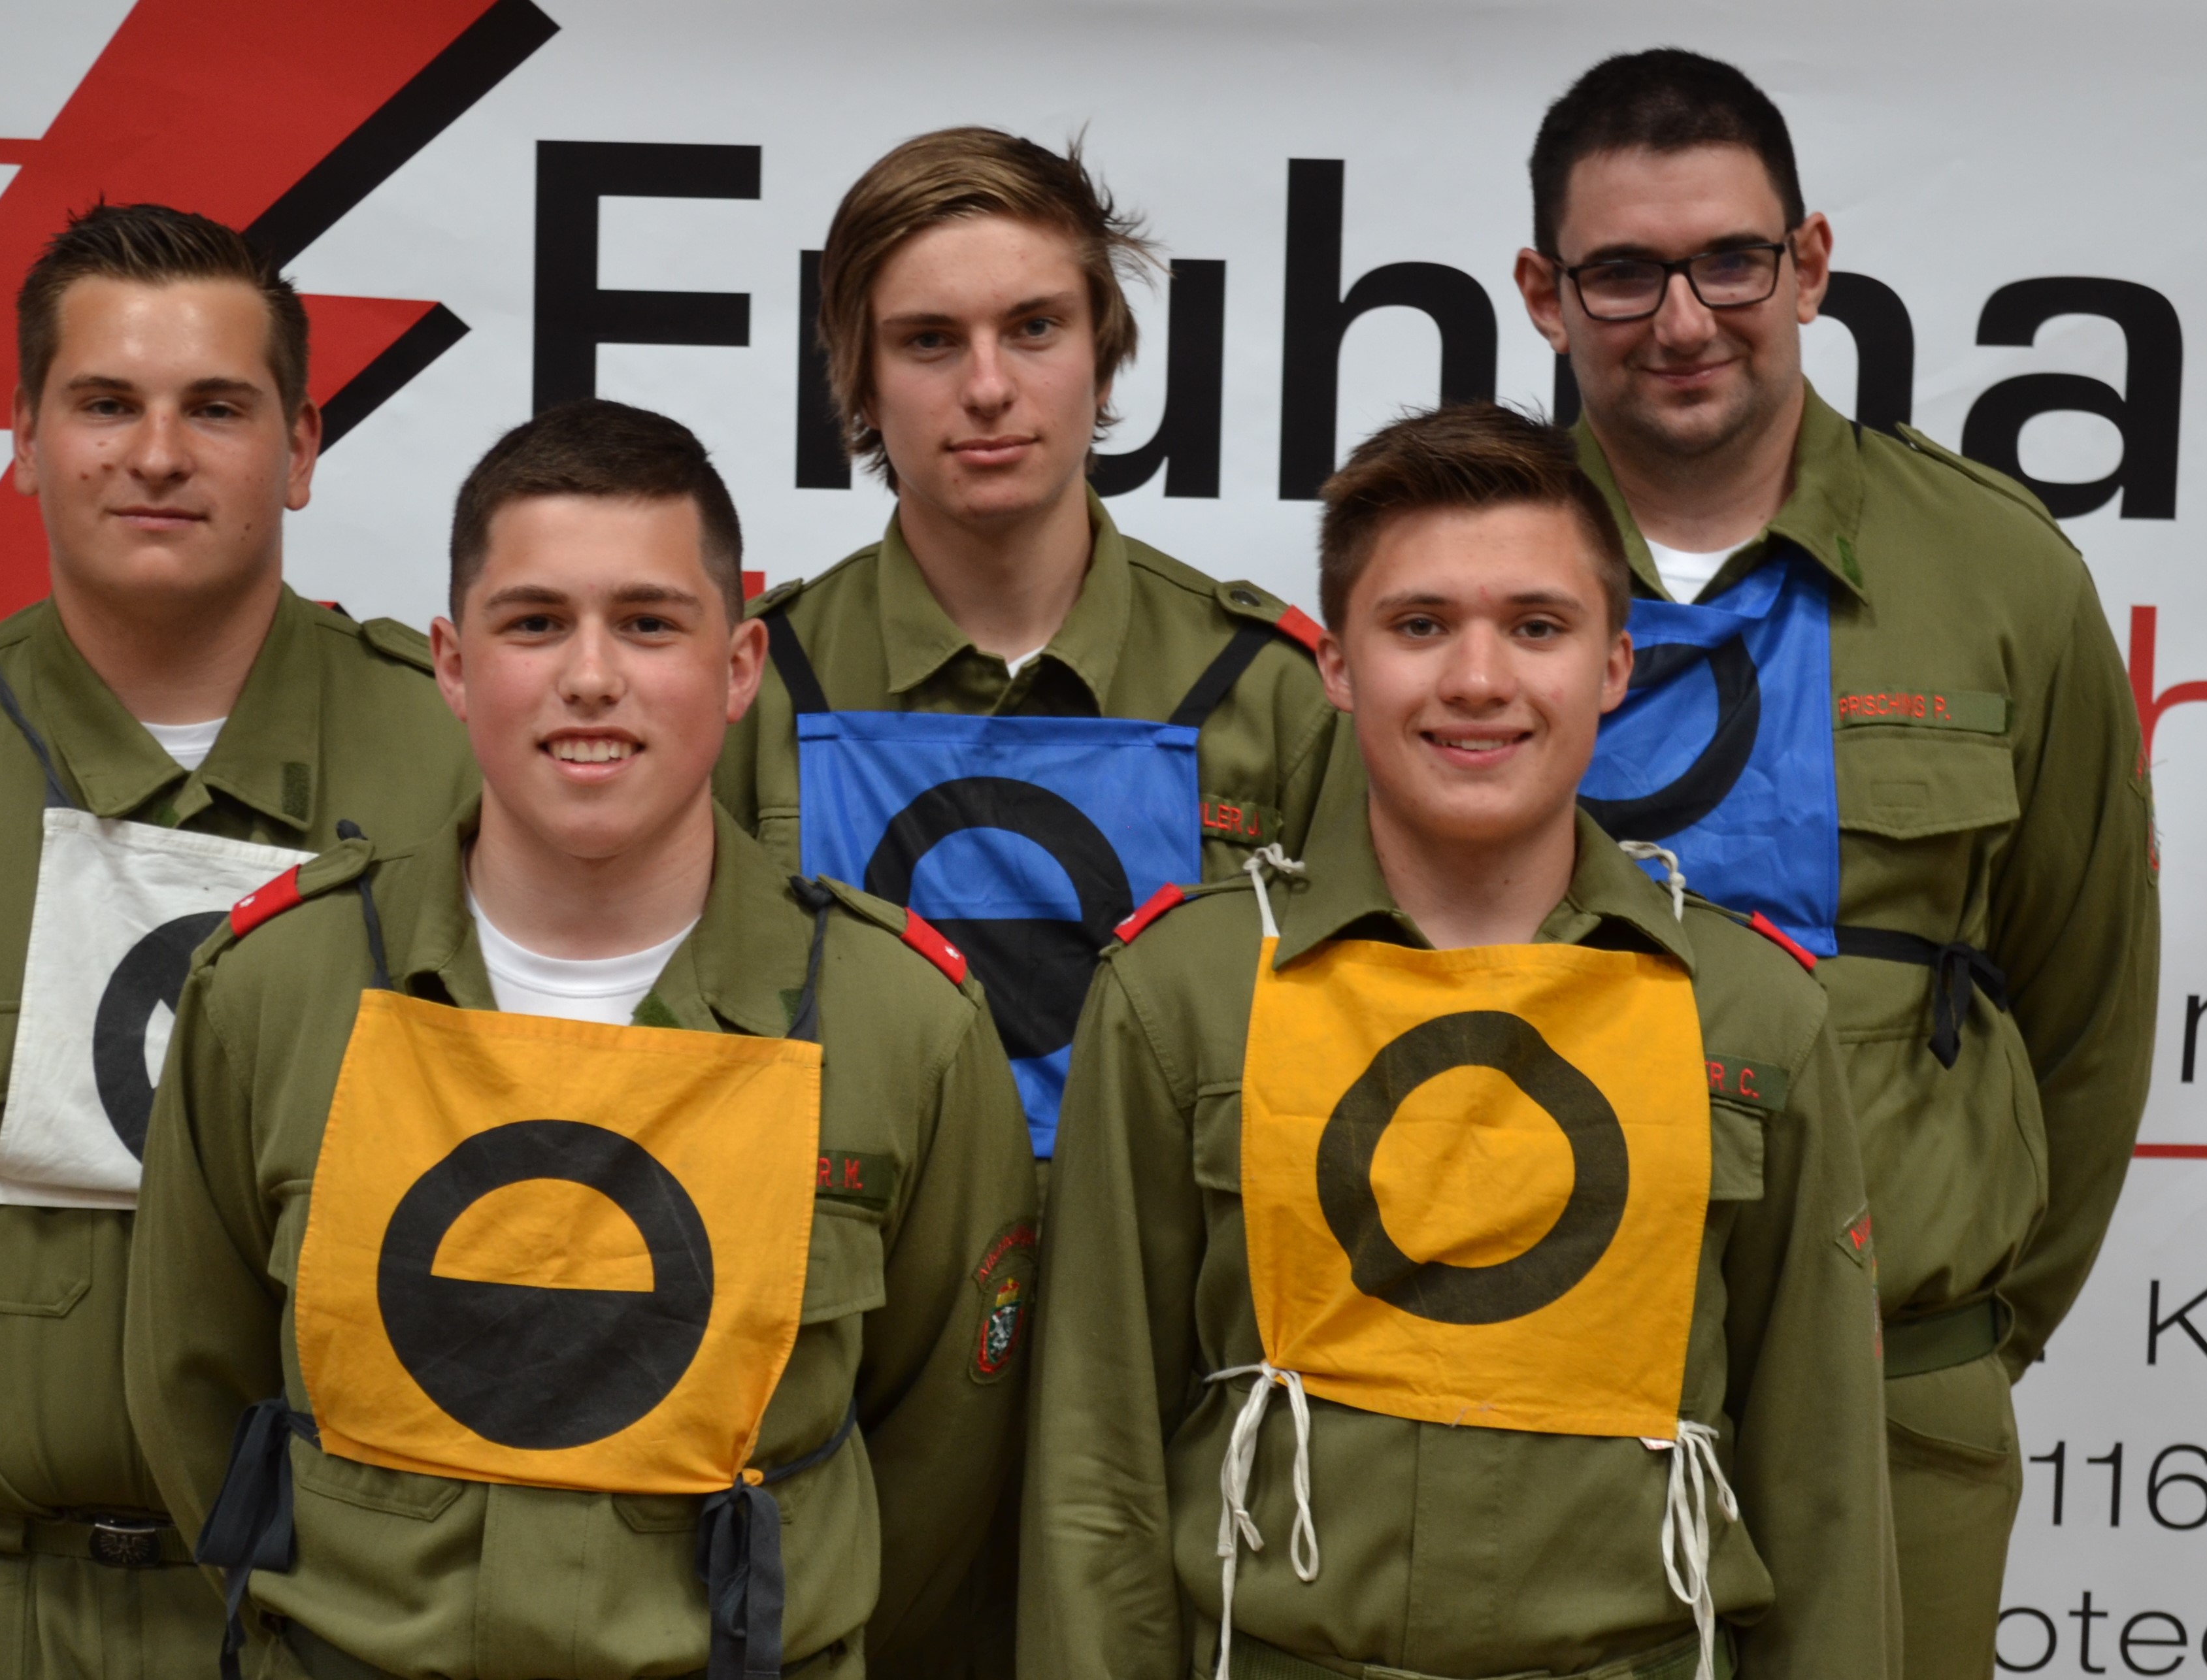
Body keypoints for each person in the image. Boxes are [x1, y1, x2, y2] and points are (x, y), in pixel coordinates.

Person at [125, 399, 1037, 1680]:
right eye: (535, 621)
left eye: (649, 622)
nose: (592, 675)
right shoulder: (274, 992)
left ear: (739, 666)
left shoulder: (902, 1026)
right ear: (453, 665)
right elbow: (195, 1393)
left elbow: (938, 1462)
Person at [0, 203, 476, 1675]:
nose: (157, 453)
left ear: (302, 448)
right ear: (24, 437)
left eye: (217, 408)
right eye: (106, 402)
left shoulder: (465, 777)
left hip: (356, 1607)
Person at [1020, 404, 1895, 1680]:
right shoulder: (1185, 994)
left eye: (1537, 626)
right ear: (1337, 666)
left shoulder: (1749, 1011)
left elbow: (1825, 1498)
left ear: (1614, 666)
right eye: (1420, 624)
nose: (1478, 679)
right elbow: (1096, 1472)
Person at [1512, 50, 2157, 1675]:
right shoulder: (1460, 560)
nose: (1683, 319)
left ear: (1807, 264)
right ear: (1542, 293)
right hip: (1520, 1394)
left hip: (1893, 1400)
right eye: (1623, 272)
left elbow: (2087, 1005)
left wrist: (1961, 1336)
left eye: (1730, 261)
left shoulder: (1998, 573)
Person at [716, 126, 1338, 1164]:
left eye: (1034, 328)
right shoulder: (750, 687)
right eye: (929, 340)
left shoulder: (1276, 696)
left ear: (1105, 356)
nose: (987, 386)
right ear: (860, 381)